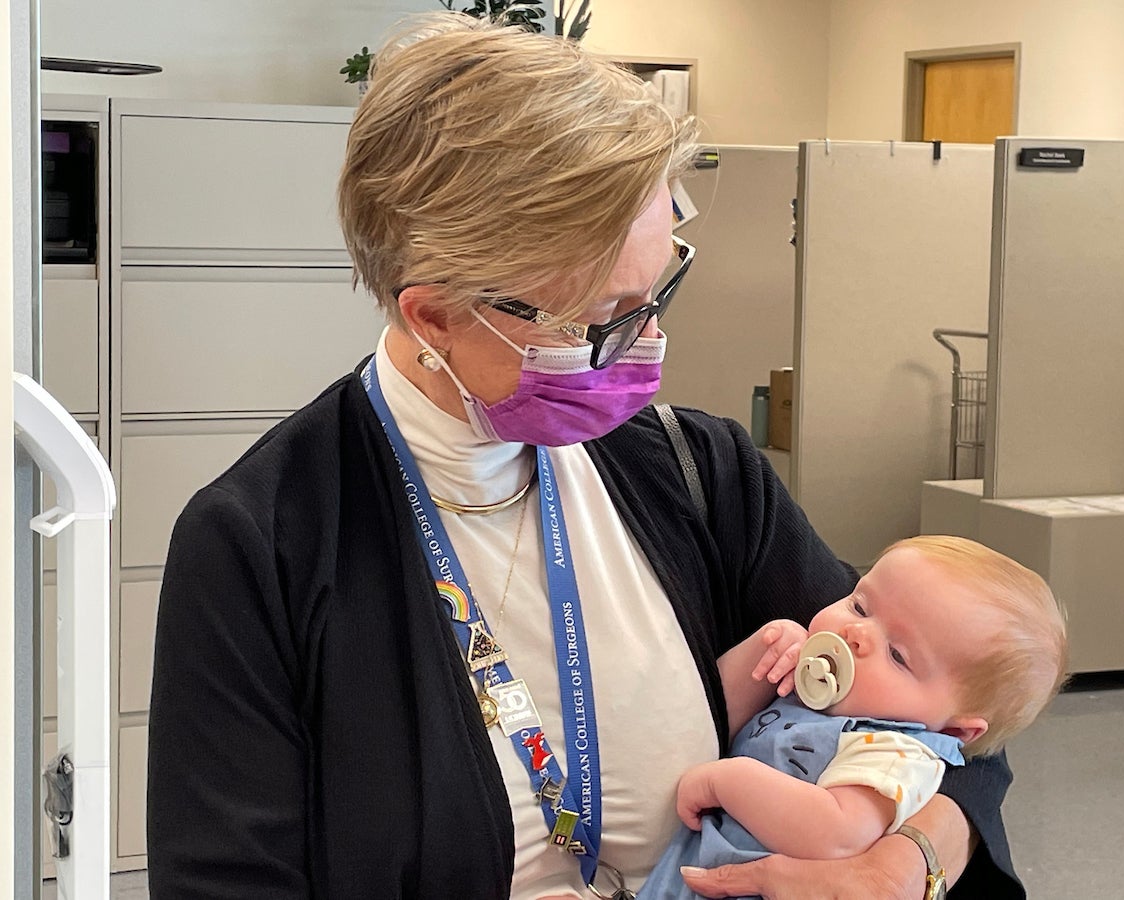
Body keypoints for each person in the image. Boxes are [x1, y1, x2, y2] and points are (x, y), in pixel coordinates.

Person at [147, 13, 1025, 900]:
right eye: (599, 320)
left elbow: (953, 723)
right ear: (435, 317)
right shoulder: (262, 545)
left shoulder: (701, 472)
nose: (647, 342)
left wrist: (902, 865)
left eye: (656, 294)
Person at [638, 536, 1068, 899]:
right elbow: (707, 719)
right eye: (860, 606)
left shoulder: (895, 752)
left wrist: (725, 781)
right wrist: (763, 654)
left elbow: (835, 830)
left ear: (953, 729)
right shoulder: (813, 697)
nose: (855, 634)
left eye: (898, 655)